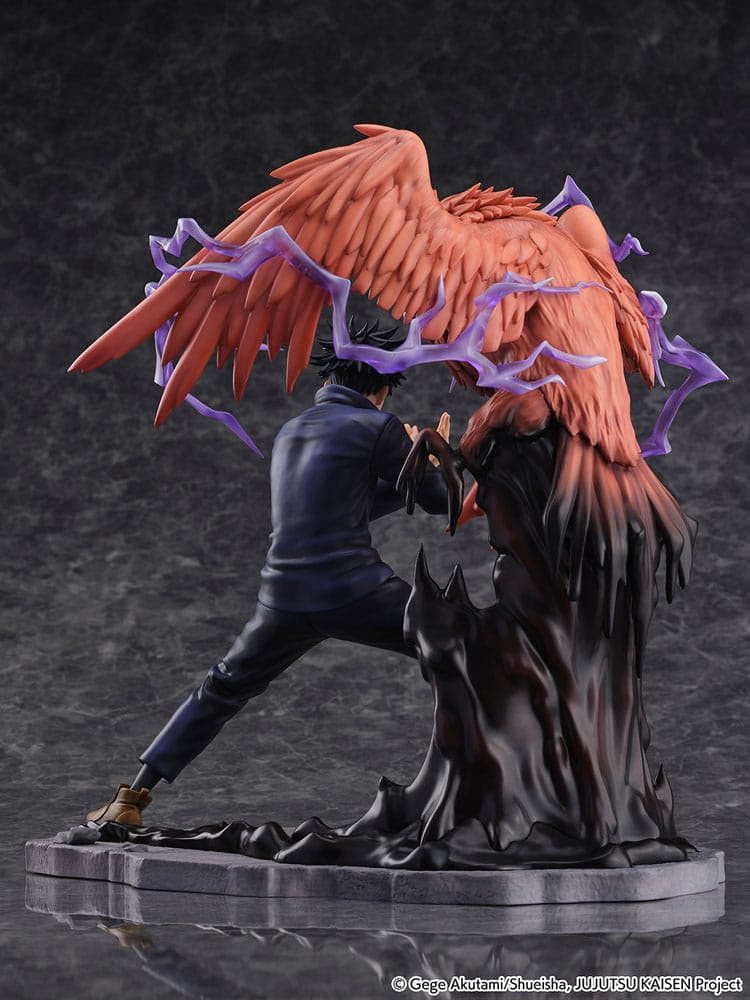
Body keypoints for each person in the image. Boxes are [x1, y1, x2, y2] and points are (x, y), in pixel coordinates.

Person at [88, 321, 449, 825]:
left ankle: (129, 799)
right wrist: (431, 459)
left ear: (331, 377)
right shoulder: (378, 427)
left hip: (282, 599)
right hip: (355, 591)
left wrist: (413, 470)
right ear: (382, 385)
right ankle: (474, 787)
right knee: (458, 644)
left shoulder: (292, 430)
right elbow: (440, 502)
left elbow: (342, 509)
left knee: (221, 688)